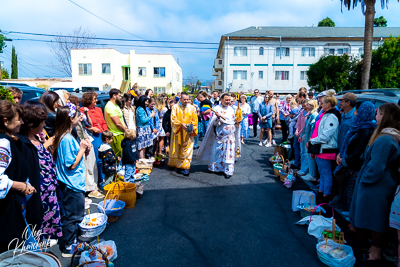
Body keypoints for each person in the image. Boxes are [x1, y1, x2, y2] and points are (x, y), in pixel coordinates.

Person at [350, 103, 400, 262]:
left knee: (375, 217)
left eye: (378, 114)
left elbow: (376, 166)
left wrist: (365, 180)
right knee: (372, 215)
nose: (375, 116)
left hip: (376, 185)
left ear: (386, 116)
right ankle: (372, 248)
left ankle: (375, 253)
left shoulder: (385, 139)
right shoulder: (386, 135)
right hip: (377, 183)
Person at [0, 101, 42, 253]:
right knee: (28, 254)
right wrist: (20, 185)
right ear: (6, 121)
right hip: (8, 212)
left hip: (16, 208)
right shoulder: (3, 143)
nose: (22, 122)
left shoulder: (10, 140)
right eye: (19, 119)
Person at [19, 100, 62, 243]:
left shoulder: (37, 137)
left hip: (49, 190)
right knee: (37, 225)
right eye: (42, 122)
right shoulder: (23, 143)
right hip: (38, 193)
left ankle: (45, 242)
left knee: (49, 222)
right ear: (31, 125)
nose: (45, 125)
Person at [52, 103, 89, 257]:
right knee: (73, 216)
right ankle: (68, 246)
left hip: (72, 183)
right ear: (70, 119)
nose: (79, 117)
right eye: (76, 116)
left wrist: (83, 150)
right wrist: (81, 148)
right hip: (72, 184)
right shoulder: (66, 139)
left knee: (74, 215)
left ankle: (72, 241)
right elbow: (71, 164)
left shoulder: (65, 136)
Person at [330, 101, 377, 212]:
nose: (355, 113)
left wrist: (344, 160)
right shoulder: (359, 127)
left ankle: (350, 216)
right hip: (349, 162)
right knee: (346, 190)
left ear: (363, 113)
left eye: (357, 111)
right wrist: (341, 155)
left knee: (351, 192)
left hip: (355, 166)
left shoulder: (366, 131)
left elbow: (358, 152)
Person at [197, 93, 241, 179]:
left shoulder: (232, 109)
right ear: (221, 99)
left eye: (229, 100)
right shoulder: (216, 109)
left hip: (230, 137)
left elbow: (234, 120)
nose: (228, 102)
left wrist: (237, 122)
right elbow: (214, 123)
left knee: (229, 154)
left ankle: (228, 170)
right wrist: (217, 118)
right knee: (218, 152)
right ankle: (216, 168)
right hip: (220, 136)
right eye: (226, 100)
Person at [306, 93, 341, 198]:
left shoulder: (332, 116)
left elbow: (326, 135)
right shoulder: (326, 114)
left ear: (329, 104)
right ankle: (321, 192)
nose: (320, 103)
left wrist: (312, 141)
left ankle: (325, 195)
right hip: (320, 147)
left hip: (326, 149)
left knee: (326, 173)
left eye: (323, 102)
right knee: (322, 173)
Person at [80, 92, 108, 190]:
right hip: (93, 137)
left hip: (102, 135)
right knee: (98, 159)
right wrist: (92, 129)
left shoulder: (99, 109)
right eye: (94, 99)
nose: (96, 100)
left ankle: (105, 178)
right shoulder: (82, 110)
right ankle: (100, 180)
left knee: (105, 157)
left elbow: (103, 122)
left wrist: (106, 133)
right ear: (88, 100)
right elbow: (82, 126)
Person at [168, 93, 198, 176]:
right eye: (184, 99)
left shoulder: (192, 108)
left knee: (187, 150)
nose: (186, 101)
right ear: (180, 99)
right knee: (177, 149)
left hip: (188, 132)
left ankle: (185, 167)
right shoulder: (175, 107)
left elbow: (195, 119)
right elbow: (173, 119)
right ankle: (178, 165)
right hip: (178, 132)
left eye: (187, 99)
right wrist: (181, 124)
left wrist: (192, 127)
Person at [299, 99, 319, 181]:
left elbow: (313, 129)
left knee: (310, 157)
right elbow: (306, 127)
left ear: (312, 106)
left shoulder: (314, 115)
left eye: (307, 105)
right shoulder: (310, 114)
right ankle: (309, 173)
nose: (306, 106)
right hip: (307, 138)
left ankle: (312, 175)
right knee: (307, 156)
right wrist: (302, 135)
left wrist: (310, 140)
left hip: (310, 139)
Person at [104, 89, 127, 158]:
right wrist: (126, 131)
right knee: (119, 156)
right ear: (114, 96)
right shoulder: (110, 106)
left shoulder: (115, 105)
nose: (121, 97)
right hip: (116, 135)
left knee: (123, 154)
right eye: (119, 96)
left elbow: (121, 119)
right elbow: (118, 124)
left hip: (120, 133)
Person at [294, 99, 309, 177]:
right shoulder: (302, 112)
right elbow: (298, 123)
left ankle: (305, 169)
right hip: (300, 134)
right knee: (302, 152)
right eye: (303, 106)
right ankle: (302, 168)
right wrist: (297, 132)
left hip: (305, 135)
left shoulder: (310, 113)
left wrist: (301, 134)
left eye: (305, 106)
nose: (304, 108)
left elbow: (306, 126)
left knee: (306, 153)